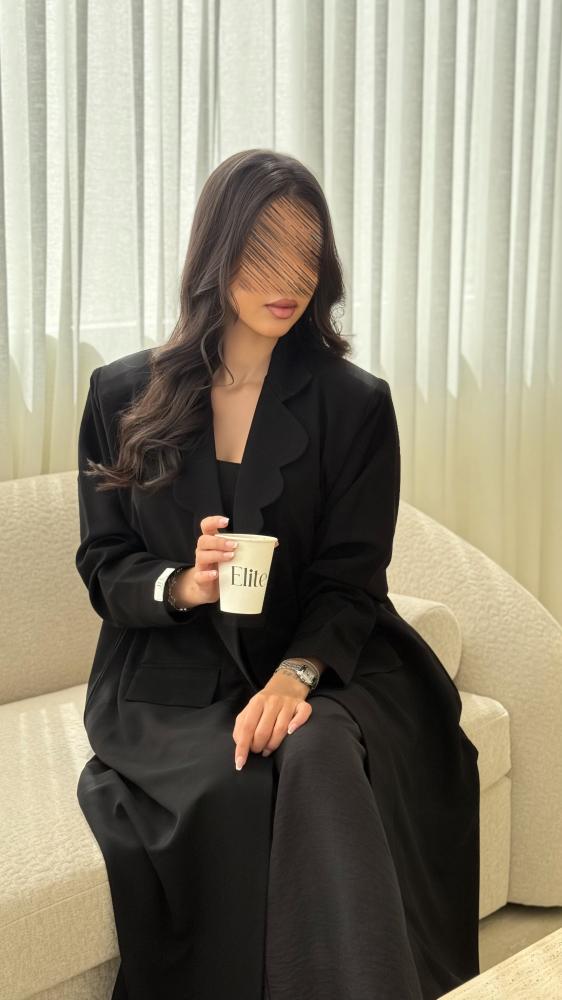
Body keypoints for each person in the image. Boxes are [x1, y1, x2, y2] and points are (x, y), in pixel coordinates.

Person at [75, 148, 480, 1000]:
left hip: (326, 655)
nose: (289, 277)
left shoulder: (355, 404)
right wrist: (183, 584)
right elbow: (105, 565)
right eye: (263, 250)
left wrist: (296, 677)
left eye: (307, 252)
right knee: (234, 787)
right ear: (215, 252)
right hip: (173, 676)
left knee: (321, 748)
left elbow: (351, 578)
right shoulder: (120, 395)